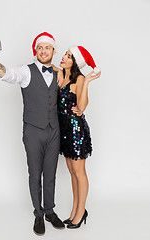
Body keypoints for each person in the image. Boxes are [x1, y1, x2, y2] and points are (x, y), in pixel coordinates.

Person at [0, 32, 81, 236]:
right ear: (35, 51)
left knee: (51, 174)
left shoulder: (59, 74)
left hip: (54, 131)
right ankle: (38, 214)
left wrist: (80, 105)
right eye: (40, 48)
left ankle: (49, 211)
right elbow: (6, 73)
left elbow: (77, 78)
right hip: (33, 131)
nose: (43, 51)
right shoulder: (25, 72)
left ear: (54, 51)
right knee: (35, 174)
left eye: (47, 48)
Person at [52, 45, 101, 229]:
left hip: (75, 130)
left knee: (79, 172)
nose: (64, 57)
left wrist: (87, 81)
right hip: (64, 131)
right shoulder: (61, 75)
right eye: (65, 54)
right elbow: (47, 63)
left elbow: (81, 106)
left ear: (75, 62)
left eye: (69, 56)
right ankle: (75, 211)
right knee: (72, 172)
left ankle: (81, 212)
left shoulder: (79, 78)